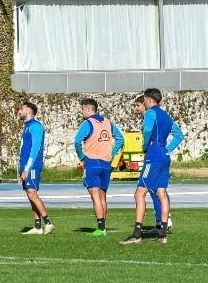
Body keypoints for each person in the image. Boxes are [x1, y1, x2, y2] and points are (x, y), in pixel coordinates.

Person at [124, 89, 183, 245]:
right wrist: (168, 149)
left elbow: (148, 131)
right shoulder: (166, 116)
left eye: (144, 99)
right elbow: (179, 135)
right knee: (161, 192)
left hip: (154, 155)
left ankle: (137, 234)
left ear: (149, 99)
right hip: (164, 155)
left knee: (139, 193)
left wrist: (144, 146)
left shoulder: (150, 113)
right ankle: (162, 233)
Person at [74, 98, 123, 238]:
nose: (82, 112)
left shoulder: (88, 123)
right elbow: (120, 138)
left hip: (92, 162)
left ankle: (100, 228)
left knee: (95, 196)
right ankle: (103, 227)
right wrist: (112, 153)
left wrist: (81, 156)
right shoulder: (108, 122)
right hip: (106, 163)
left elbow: (77, 140)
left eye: (82, 109)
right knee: (103, 197)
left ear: (88, 109)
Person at [17, 102, 51, 234]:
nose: (19, 111)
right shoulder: (27, 126)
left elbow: (35, 148)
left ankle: (48, 222)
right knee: (30, 195)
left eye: (22, 108)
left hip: (32, 166)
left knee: (32, 193)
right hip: (25, 165)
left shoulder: (36, 126)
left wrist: (27, 168)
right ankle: (37, 227)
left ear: (29, 111)